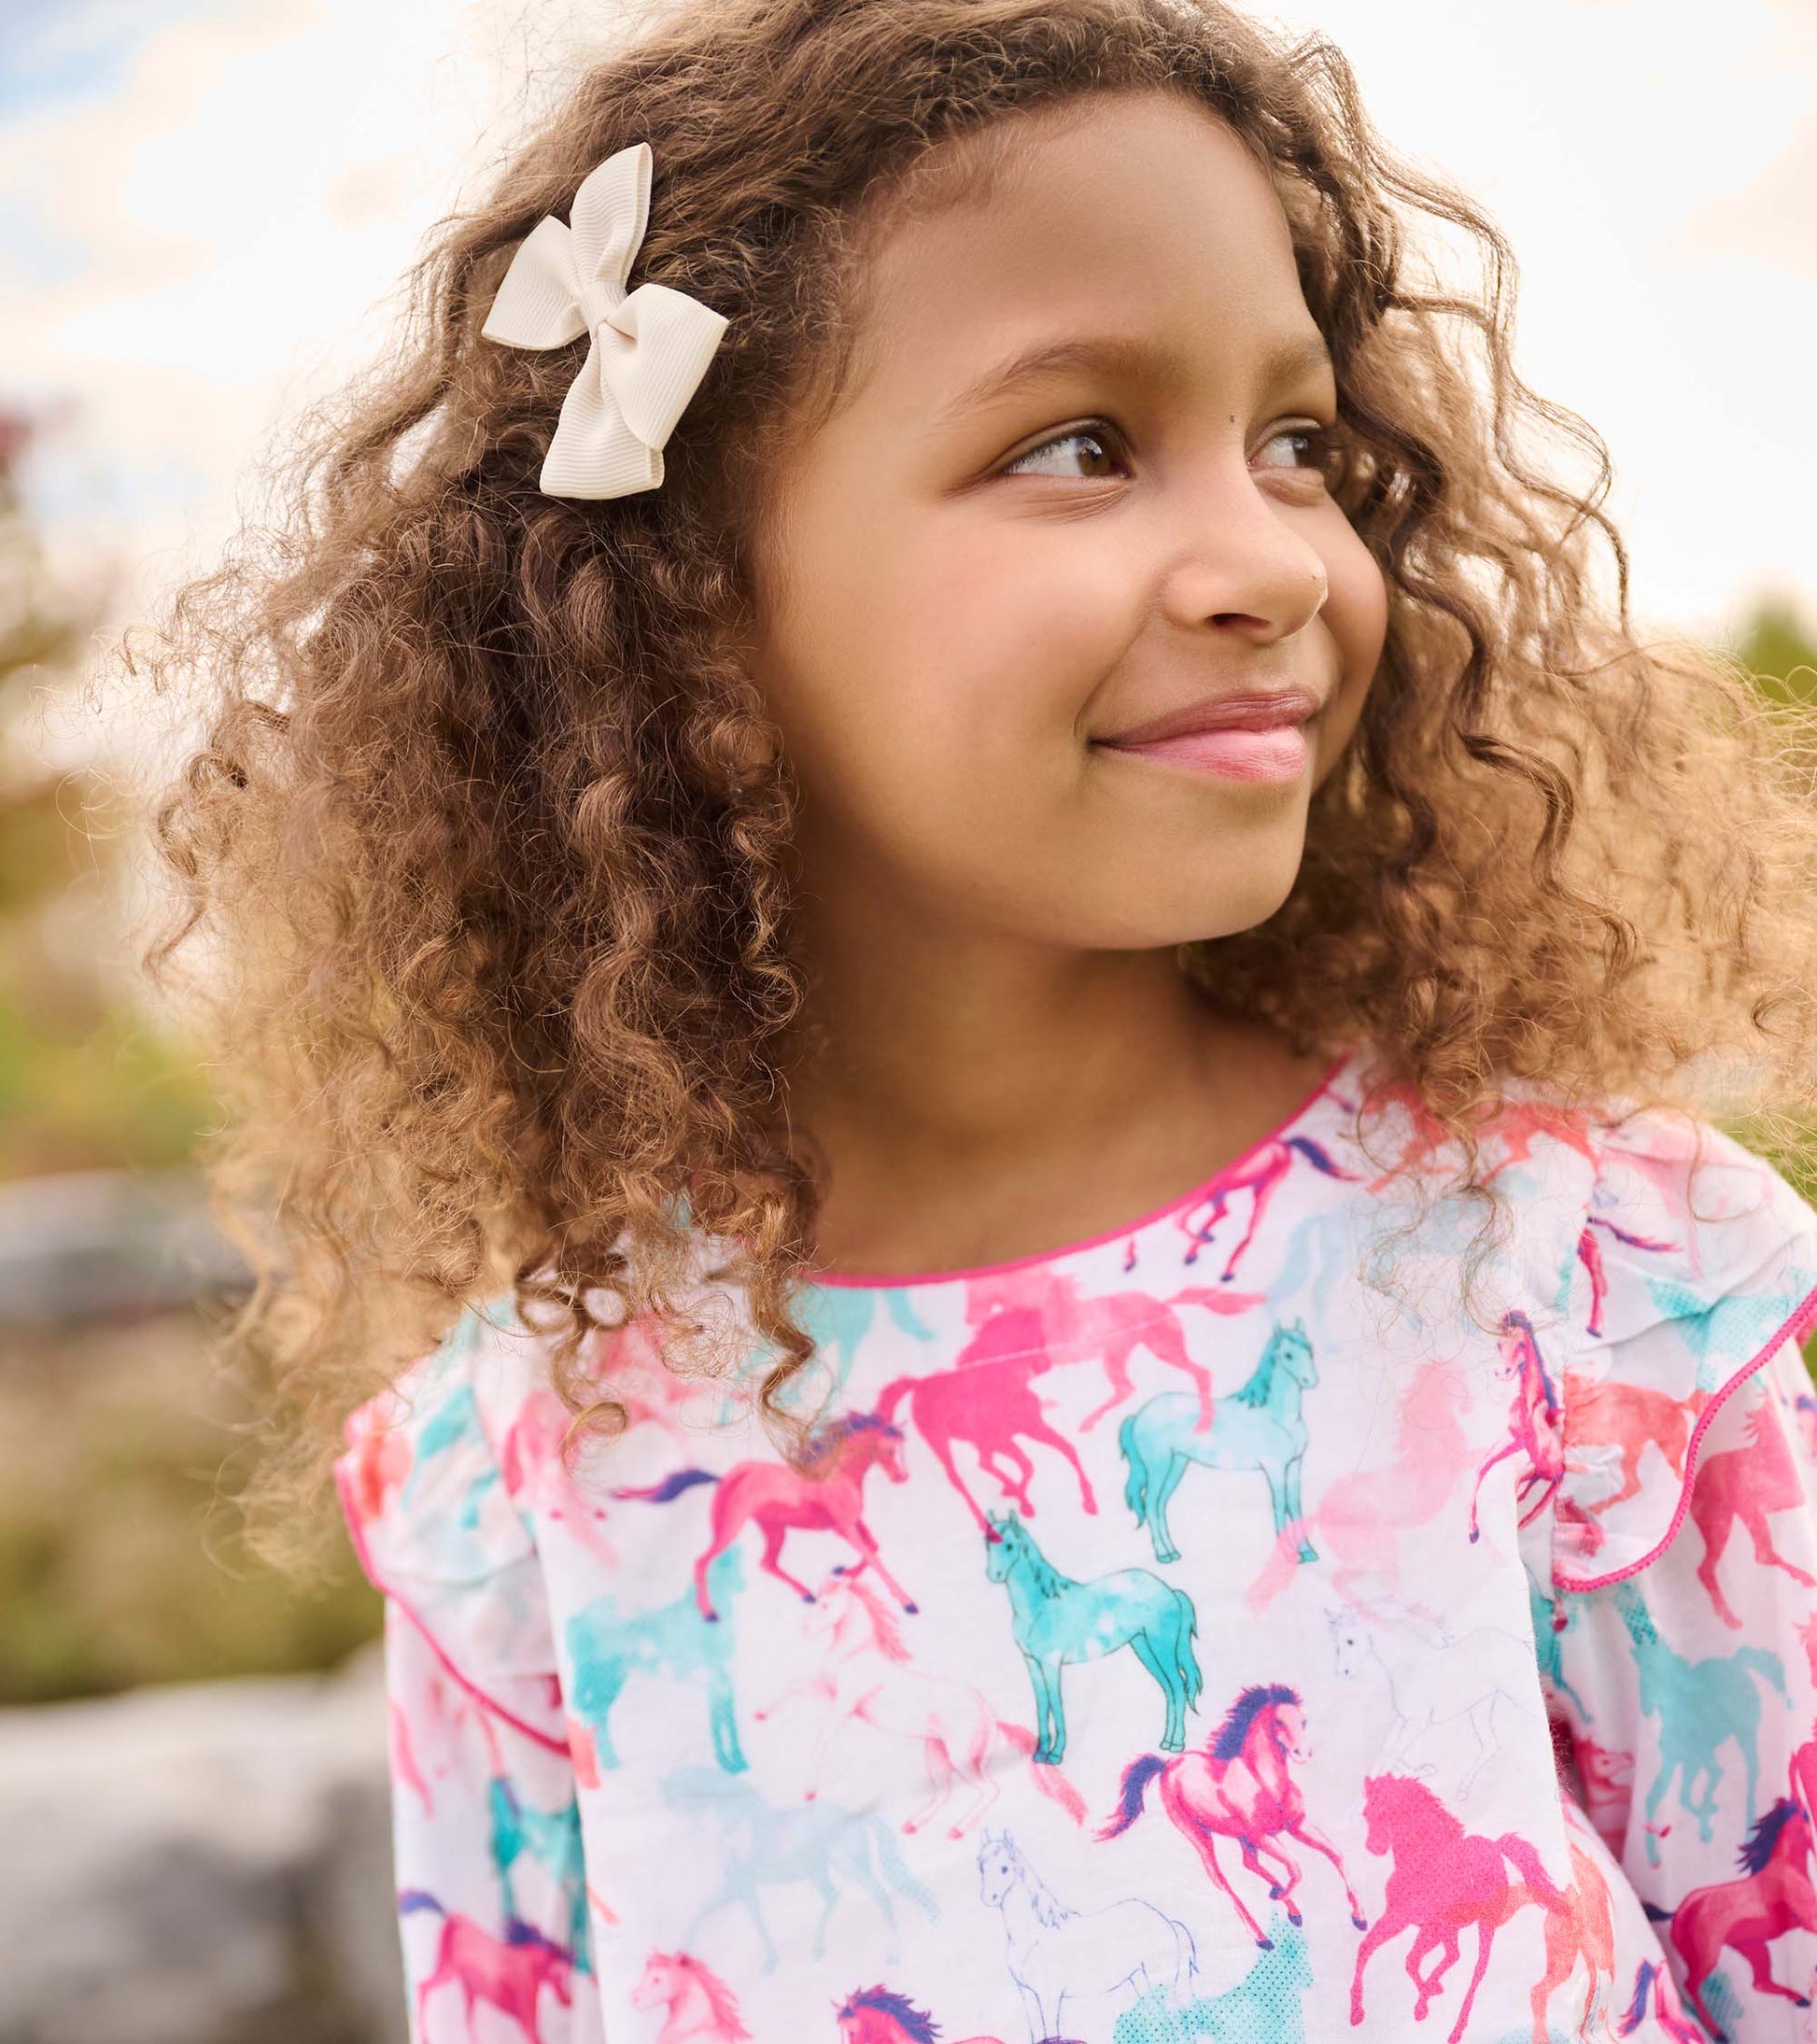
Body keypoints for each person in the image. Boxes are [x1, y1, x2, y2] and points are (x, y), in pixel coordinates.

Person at [133, 0, 1817, 2036]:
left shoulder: (1609, 1302)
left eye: (1296, 441)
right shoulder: (526, 1484)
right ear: (686, 618)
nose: (1274, 557)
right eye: (1079, 445)